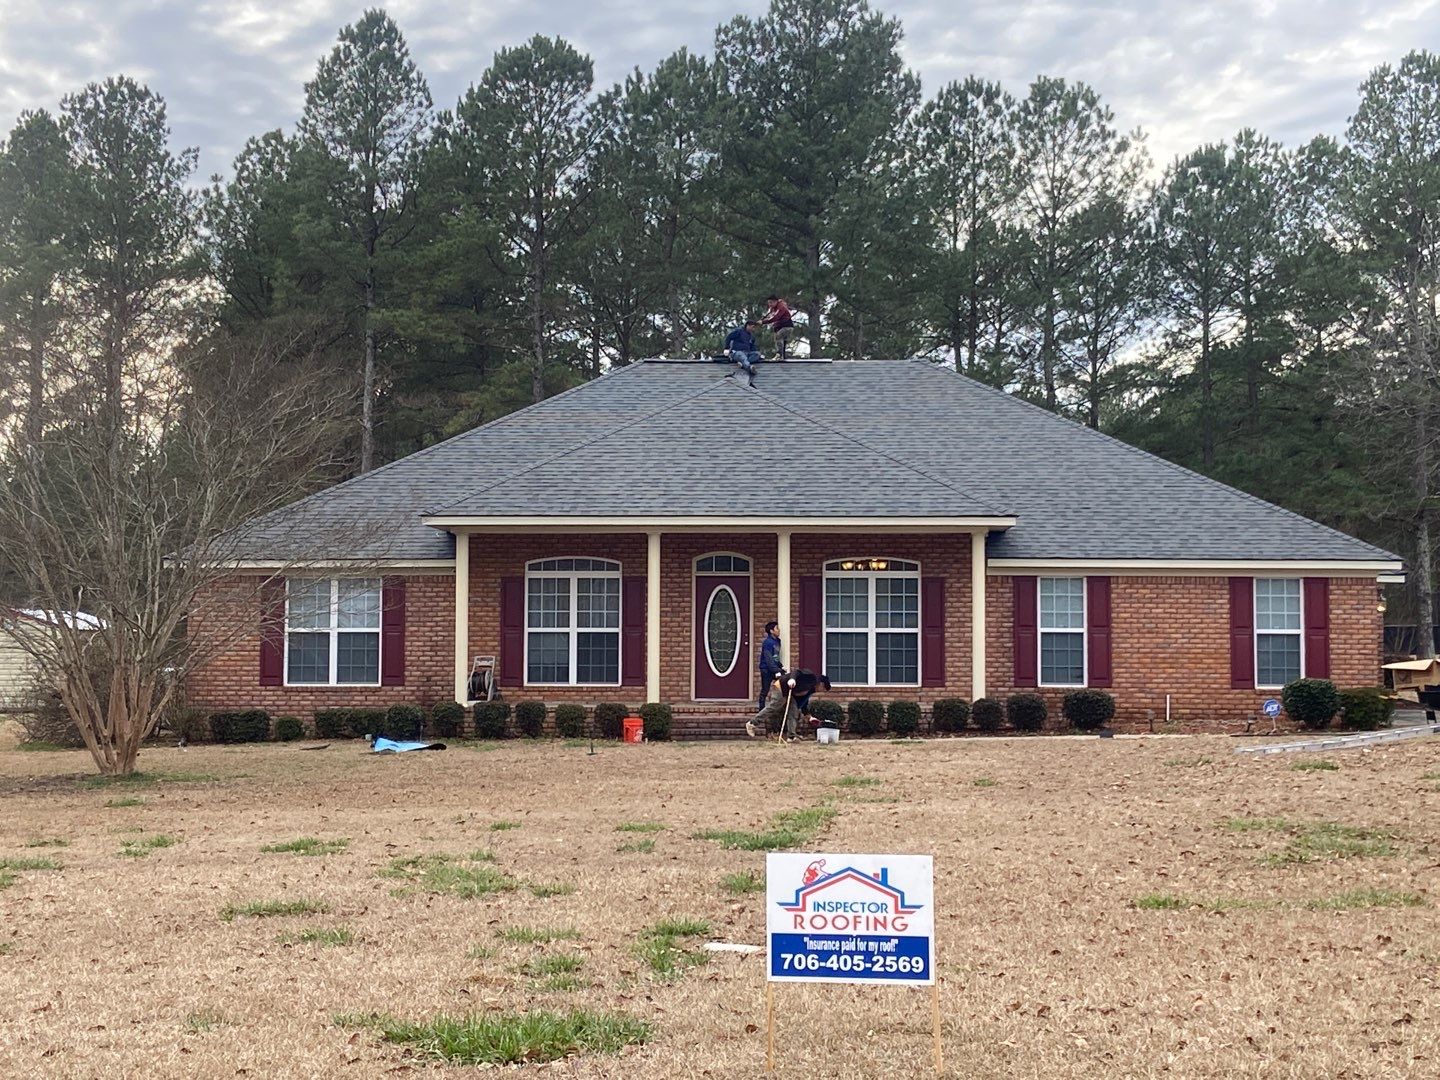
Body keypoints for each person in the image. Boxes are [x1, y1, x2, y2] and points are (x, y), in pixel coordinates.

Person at [745, 668, 832, 742]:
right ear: (821, 684)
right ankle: (752, 723)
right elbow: (796, 672)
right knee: (775, 705)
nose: (821, 691)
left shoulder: (810, 690)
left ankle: (791, 736)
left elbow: (803, 703)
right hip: (782, 686)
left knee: (793, 711)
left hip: (789, 693)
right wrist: (792, 679)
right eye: (823, 689)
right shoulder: (811, 676)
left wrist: (809, 717)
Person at [723, 320, 762, 385]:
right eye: (752, 327)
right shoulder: (739, 331)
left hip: (747, 353)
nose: (753, 329)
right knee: (741, 355)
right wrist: (726, 348)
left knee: (757, 354)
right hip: (737, 353)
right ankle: (749, 368)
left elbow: (752, 347)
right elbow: (729, 337)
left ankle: (743, 364)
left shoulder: (751, 337)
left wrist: (759, 355)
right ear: (748, 326)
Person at [756, 620, 783, 711]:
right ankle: (761, 709)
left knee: (783, 683)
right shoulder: (767, 642)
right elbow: (769, 658)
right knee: (765, 690)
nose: (779, 630)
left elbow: (776, 656)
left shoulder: (778, 641)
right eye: (777, 628)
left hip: (775, 668)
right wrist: (776, 670)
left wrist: (780, 666)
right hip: (766, 669)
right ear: (771, 631)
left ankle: (780, 706)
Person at [761, 295, 795, 359]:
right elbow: (769, 317)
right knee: (782, 341)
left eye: (771, 302)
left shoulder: (781, 307)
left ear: (775, 302)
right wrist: (762, 320)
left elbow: (776, 317)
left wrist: (763, 322)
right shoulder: (773, 309)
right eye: (768, 303)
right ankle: (783, 356)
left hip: (786, 326)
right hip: (780, 327)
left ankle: (779, 354)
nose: (769, 304)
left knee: (778, 337)